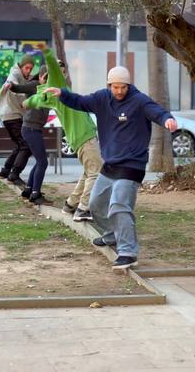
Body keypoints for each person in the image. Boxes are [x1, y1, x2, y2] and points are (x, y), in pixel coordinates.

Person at [44, 66, 177, 269]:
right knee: (96, 204)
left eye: (123, 87)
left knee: (118, 205)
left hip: (132, 165)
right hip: (110, 164)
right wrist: (62, 94)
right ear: (109, 85)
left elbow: (155, 111)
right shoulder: (102, 98)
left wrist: (167, 119)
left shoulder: (139, 101)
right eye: (115, 87)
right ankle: (111, 235)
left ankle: (128, 252)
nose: (119, 91)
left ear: (128, 85)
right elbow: (80, 101)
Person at [23, 43, 103, 221]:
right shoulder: (56, 86)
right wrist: (46, 52)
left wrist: (27, 103)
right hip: (84, 136)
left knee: (88, 172)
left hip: (79, 137)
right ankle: (83, 209)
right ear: (49, 76)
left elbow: (34, 100)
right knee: (96, 172)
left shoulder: (46, 94)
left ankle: (70, 205)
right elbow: (52, 65)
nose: (64, 73)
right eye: (61, 71)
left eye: (65, 70)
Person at [10, 65, 52, 205]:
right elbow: (19, 88)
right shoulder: (34, 85)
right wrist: (11, 86)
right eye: (45, 78)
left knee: (40, 161)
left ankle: (29, 190)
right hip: (30, 128)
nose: (47, 81)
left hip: (35, 128)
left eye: (50, 79)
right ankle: (35, 194)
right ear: (39, 77)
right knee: (43, 162)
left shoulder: (50, 90)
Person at [0, 54, 34, 187]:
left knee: (20, 145)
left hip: (12, 116)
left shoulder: (25, 77)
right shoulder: (15, 74)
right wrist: (10, 84)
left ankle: (5, 170)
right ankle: (14, 175)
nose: (28, 71)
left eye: (30, 68)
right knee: (26, 146)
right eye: (26, 68)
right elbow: (12, 82)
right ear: (21, 66)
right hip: (12, 116)